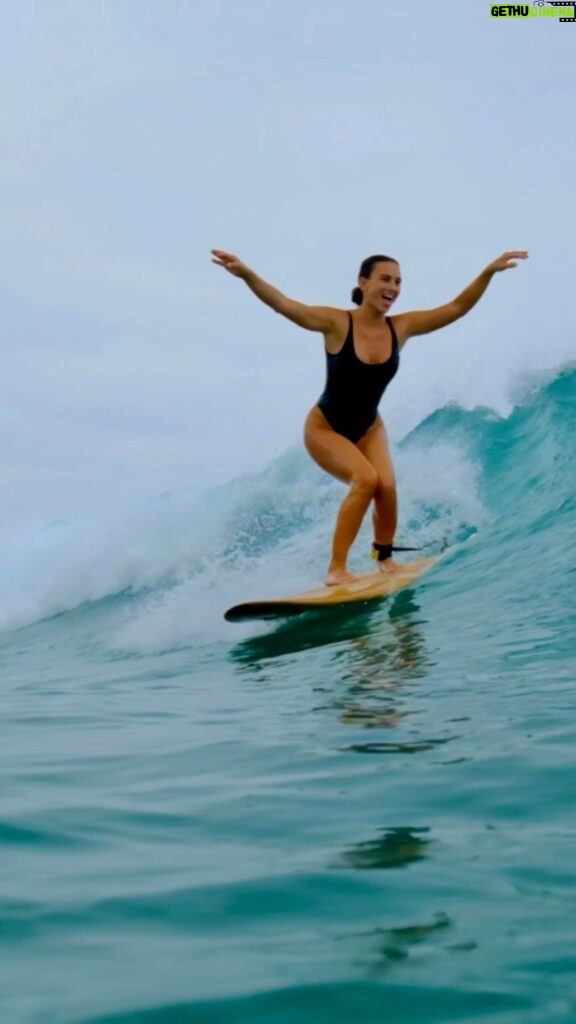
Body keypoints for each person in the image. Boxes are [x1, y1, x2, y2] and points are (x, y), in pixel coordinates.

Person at [211, 247, 528, 585]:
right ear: (363, 282)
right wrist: (246, 274)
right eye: (385, 279)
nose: (393, 287)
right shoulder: (336, 322)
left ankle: (384, 559)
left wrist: (487, 273)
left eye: (398, 281)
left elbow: (456, 308)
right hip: (325, 428)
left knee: (387, 486)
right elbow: (284, 304)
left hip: (369, 426)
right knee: (366, 479)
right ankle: (336, 569)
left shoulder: (401, 327)